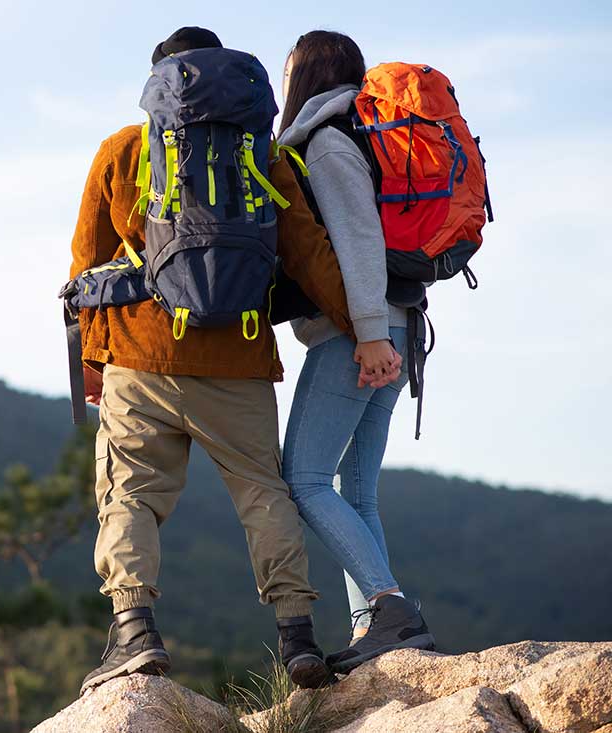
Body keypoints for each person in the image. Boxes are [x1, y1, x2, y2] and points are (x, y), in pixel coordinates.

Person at [71, 26, 385, 693]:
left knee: (130, 492)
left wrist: (94, 367)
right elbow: (306, 251)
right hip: (238, 358)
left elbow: (86, 267)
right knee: (262, 492)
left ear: (158, 85)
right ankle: (298, 639)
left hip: (138, 355)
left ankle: (134, 632)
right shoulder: (262, 152)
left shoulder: (122, 151)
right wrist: (363, 329)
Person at [276, 30, 436, 673]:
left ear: (304, 73)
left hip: (364, 335)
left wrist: (368, 333)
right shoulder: (368, 134)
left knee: (304, 479)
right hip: (398, 330)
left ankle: (388, 605)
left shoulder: (329, 141)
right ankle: (380, 627)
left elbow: (359, 240)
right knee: (356, 489)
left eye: (286, 67)